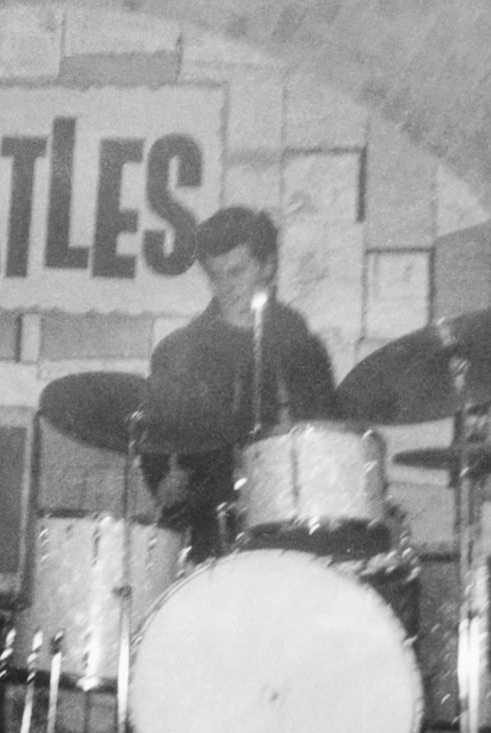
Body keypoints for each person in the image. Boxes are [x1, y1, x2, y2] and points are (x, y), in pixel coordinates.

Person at [140, 206, 342, 560]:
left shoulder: (303, 350)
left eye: (237, 272)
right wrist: (163, 482)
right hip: (207, 533)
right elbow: (153, 443)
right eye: (216, 276)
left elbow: (328, 443)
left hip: (293, 527)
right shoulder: (180, 353)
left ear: (267, 266)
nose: (225, 287)